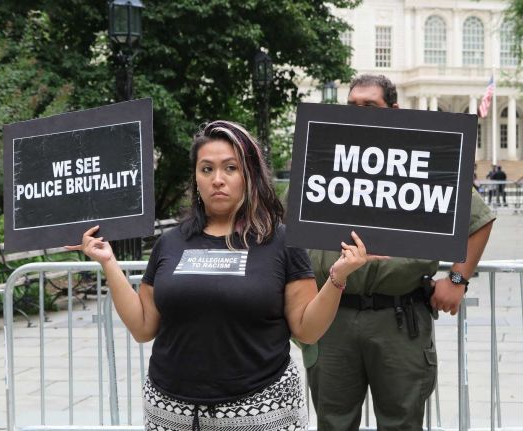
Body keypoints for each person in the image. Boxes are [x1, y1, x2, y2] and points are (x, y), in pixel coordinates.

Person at [67, 120, 385, 431]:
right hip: (170, 411)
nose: (217, 179)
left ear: (249, 175)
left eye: (230, 168)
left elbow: (307, 330)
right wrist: (108, 262)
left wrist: (337, 278)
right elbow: (143, 327)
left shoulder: (282, 242)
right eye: (207, 169)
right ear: (195, 179)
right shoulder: (171, 243)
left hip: (261, 411)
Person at [303, 74, 496, 430]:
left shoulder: (424, 160)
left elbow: (479, 219)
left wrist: (457, 279)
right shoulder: (322, 156)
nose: (359, 112)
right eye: (352, 105)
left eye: (369, 105)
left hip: (398, 318)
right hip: (333, 319)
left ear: (394, 110)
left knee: (401, 422)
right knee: (333, 421)